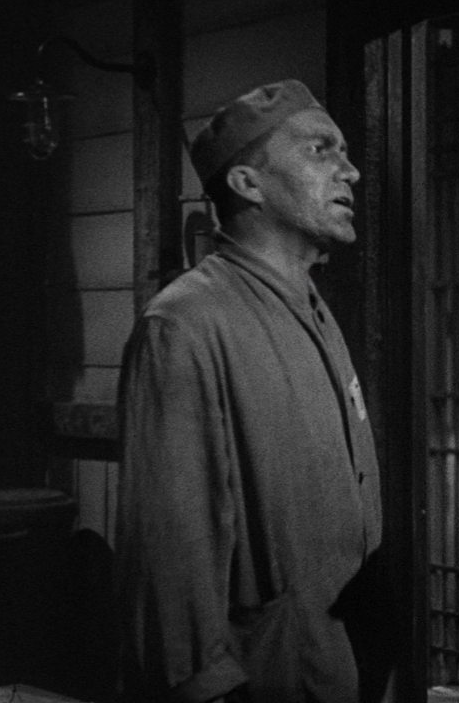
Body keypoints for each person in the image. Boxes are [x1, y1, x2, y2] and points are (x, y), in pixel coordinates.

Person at [116, 80, 392, 703]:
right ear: (247, 183)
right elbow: (169, 558)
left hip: (332, 667)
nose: (350, 171)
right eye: (321, 150)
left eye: (344, 152)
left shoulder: (313, 309)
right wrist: (206, 688)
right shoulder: (185, 326)